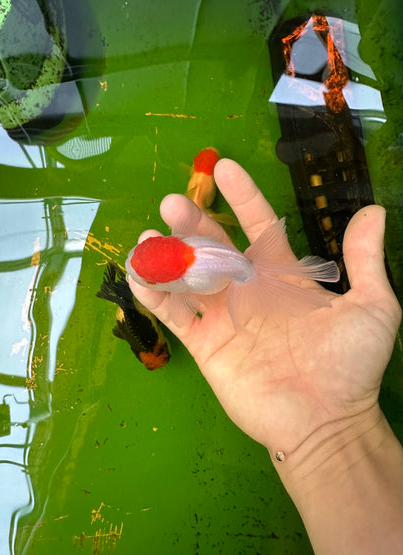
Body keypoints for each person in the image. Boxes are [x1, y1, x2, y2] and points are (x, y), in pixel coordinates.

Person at [129, 158, 403, 554]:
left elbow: (189, 290)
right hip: (225, 264)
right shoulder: (186, 241)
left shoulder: (186, 284)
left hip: (225, 271)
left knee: (236, 263)